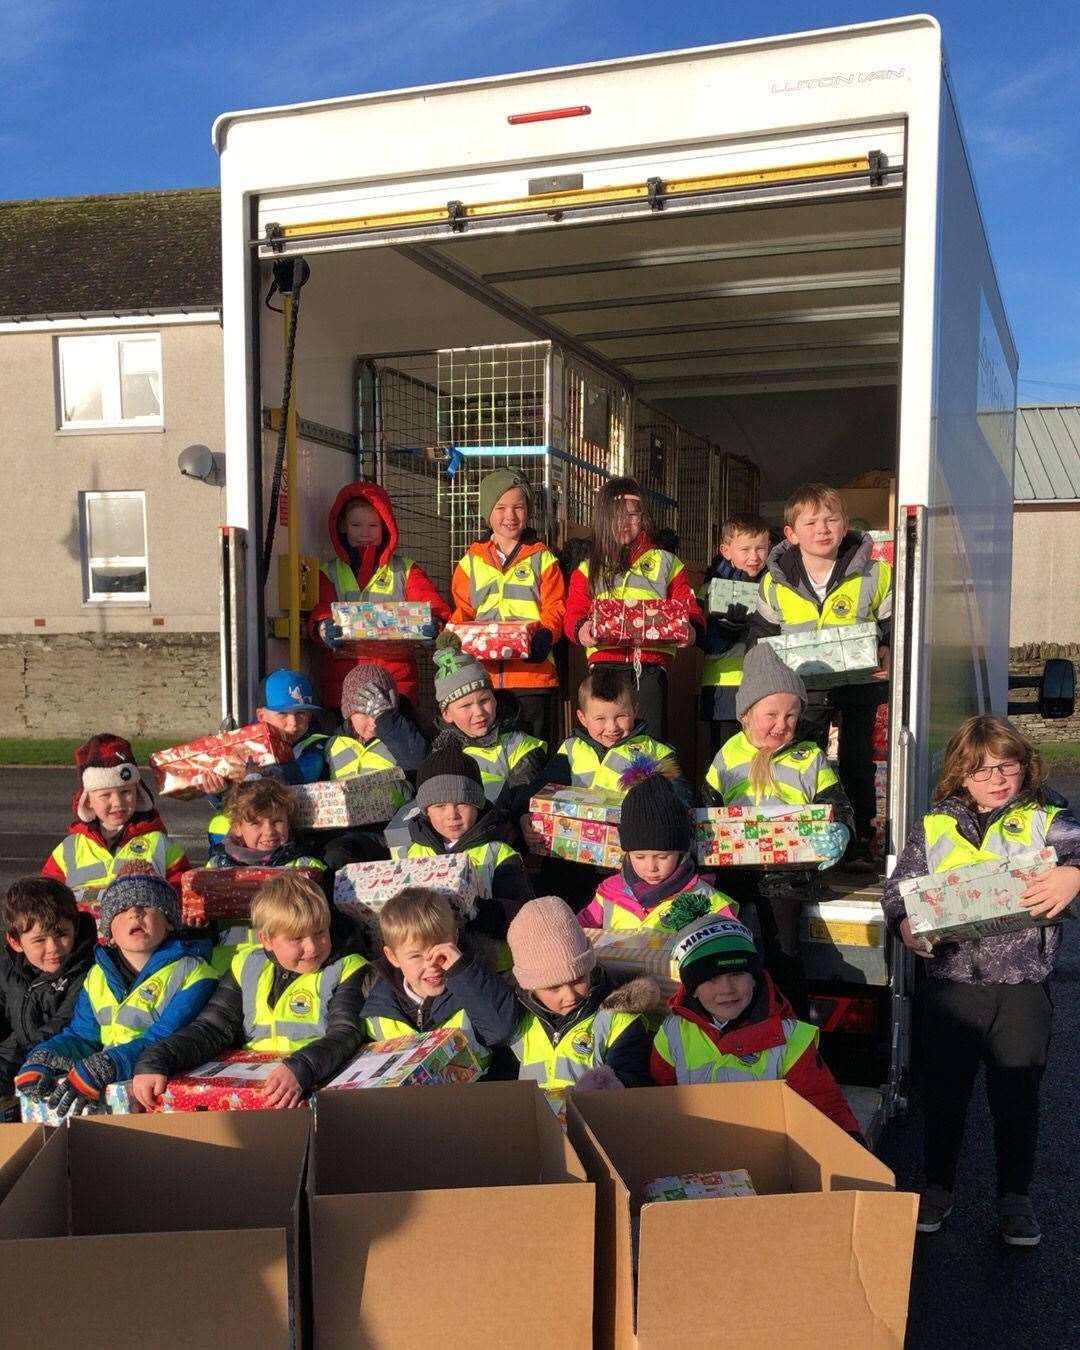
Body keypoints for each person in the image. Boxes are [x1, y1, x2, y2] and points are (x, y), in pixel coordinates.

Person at [883, 715, 1080, 1247]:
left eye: (1006, 767)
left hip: (1021, 988)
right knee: (944, 1096)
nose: (995, 779)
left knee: (1017, 1098)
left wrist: (1073, 873)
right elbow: (899, 889)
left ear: (1023, 767)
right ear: (960, 775)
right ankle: (937, 1188)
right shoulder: (935, 824)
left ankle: (1015, 1198)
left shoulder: (1048, 816)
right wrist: (903, 922)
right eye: (981, 770)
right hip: (951, 988)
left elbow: (1077, 851)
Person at [131, 873, 374, 1110]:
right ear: (266, 939)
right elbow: (211, 1029)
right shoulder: (246, 965)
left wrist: (301, 1068)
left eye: (320, 932)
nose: (312, 947)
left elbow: (346, 1032)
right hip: (252, 1094)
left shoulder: (349, 968)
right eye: (297, 938)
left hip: (316, 1087)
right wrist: (155, 1060)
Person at [702, 644, 854, 1015]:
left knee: (784, 953)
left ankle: (792, 1025)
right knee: (733, 953)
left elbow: (840, 807)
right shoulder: (727, 756)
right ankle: (740, 1021)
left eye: (791, 715)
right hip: (735, 875)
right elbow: (705, 811)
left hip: (787, 876)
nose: (781, 725)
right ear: (745, 715)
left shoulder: (810, 757)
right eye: (771, 715)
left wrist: (841, 834)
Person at [746, 483, 891, 867]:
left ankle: (858, 843)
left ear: (845, 526)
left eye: (831, 520)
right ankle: (801, 840)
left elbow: (897, 623)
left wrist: (888, 649)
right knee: (800, 760)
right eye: (811, 522)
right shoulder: (774, 581)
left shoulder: (878, 573)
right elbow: (761, 638)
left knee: (857, 764)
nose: (822, 529)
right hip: (803, 693)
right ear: (792, 534)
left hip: (861, 684)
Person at [14, 873, 217, 1116]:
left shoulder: (193, 972)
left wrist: (108, 1065)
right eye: (122, 910)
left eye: (147, 905)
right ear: (109, 930)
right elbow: (83, 1036)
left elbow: (166, 1037)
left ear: (170, 922)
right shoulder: (97, 976)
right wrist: (46, 1057)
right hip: (112, 1088)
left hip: (160, 1089)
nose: (134, 914)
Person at [651, 915, 861, 1136]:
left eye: (737, 973)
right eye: (710, 979)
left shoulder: (791, 1038)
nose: (726, 989)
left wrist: (851, 1145)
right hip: (696, 1149)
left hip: (766, 1150)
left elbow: (823, 1103)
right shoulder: (672, 1033)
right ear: (692, 988)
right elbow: (659, 1098)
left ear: (754, 977)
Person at [520, 668, 692, 909]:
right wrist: (526, 818)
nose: (611, 727)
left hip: (624, 863)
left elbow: (680, 803)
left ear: (635, 710)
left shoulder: (655, 752)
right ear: (582, 718)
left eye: (621, 716)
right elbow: (539, 794)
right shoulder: (570, 749)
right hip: (570, 860)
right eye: (600, 719)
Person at [564, 475, 704, 739]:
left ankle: (649, 781)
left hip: (650, 666)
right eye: (616, 515)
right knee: (608, 736)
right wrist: (582, 630)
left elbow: (689, 606)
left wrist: (691, 630)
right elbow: (574, 612)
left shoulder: (666, 562)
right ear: (603, 517)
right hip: (605, 666)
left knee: (649, 739)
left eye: (632, 515)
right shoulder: (588, 566)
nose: (624, 523)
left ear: (643, 517)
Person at [308, 480, 451, 710]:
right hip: (344, 688)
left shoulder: (405, 570)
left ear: (385, 527)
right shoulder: (328, 572)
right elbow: (319, 611)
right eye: (356, 525)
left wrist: (433, 625)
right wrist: (322, 628)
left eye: (373, 526)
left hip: (395, 686)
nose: (365, 534)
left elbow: (435, 607)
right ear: (342, 526)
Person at [449, 468, 566, 748]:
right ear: (487, 512)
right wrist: (450, 642)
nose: (510, 516)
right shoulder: (471, 560)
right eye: (500, 508)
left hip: (533, 677)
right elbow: (462, 611)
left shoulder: (542, 559)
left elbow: (556, 607)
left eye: (518, 507)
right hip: (484, 681)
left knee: (533, 752)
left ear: (528, 512)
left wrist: (545, 636)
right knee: (492, 755)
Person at [360, 887, 519, 1073]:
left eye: (440, 951)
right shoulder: (378, 1006)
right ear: (393, 956)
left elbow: (501, 1030)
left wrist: (461, 971)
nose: (432, 965)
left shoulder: (473, 986)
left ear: (455, 940)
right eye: (416, 956)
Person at [507, 896, 656, 1091]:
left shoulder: (619, 1022)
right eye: (553, 988)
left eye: (578, 980)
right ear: (530, 987)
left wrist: (609, 1088)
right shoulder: (520, 1018)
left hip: (595, 1119)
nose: (569, 996)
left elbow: (634, 1081)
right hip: (536, 1120)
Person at [393, 745, 532, 942]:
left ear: (477, 805)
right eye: (440, 806)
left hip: (491, 960)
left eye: (462, 803)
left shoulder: (499, 853)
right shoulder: (413, 852)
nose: (452, 815)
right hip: (431, 960)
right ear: (426, 810)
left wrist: (477, 911)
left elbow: (521, 912)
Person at [576, 774, 737, 933]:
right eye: (639, 857)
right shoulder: (610, 893)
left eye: (662, 857)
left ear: (681, 852)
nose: (651, 867)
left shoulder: (704, 900)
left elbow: (733, 944)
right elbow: (575, 933)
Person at [42, 734, 188, 894]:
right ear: (88, 800)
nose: (118, 802)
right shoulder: (69, 848)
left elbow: (184, 890)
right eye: (105, 795)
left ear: (138, 792)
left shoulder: (160, 843)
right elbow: (47, 896)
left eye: (126, 792)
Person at [320, 663, 428, 869]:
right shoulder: (332, 744)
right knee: (334, 856)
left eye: (377, 714)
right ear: (348, 712)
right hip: (349, 833)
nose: (372, 722)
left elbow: (419, 761)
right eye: (364, 714)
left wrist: (388, 721)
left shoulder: (400, 736)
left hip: (396, 827)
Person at [205, 667, 327, 846]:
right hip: (253, 819)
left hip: (292, 823)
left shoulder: (316, 744)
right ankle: (228, 867)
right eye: (283, 713)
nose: (293, 723)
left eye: (301, 713)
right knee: (220, 824)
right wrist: (218, 789)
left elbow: (299, 774)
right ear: (261, 716)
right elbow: (223, 802)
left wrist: (248, 774)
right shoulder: (242, 744)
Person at [0, 877, 97, 1100]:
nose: (53, 948)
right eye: (39, 940)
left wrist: (12, 1063)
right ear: (16, 942)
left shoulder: (87, 971)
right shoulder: (9, 969)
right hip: (20, 1055)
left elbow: (60, 1027)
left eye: (62, 934)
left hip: (61, 1061)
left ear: (75, 928)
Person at [431, 632, 547, 814]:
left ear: (495, 699)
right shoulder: (441, 752)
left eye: (484, 700)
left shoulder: (519, 745)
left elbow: (524, 800)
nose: (478, 712)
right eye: (466, 706)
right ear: (447, 714)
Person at [699, 513, 771, 758]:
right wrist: (728, 627)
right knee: (724, 757)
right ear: (726, 550)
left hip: (765, 686)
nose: (754, 557)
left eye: (761, 548)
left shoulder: (775, 585)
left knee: (761, 755)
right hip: (723, 688)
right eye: (745, 549)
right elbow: (703, 639)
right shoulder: (711, 586)